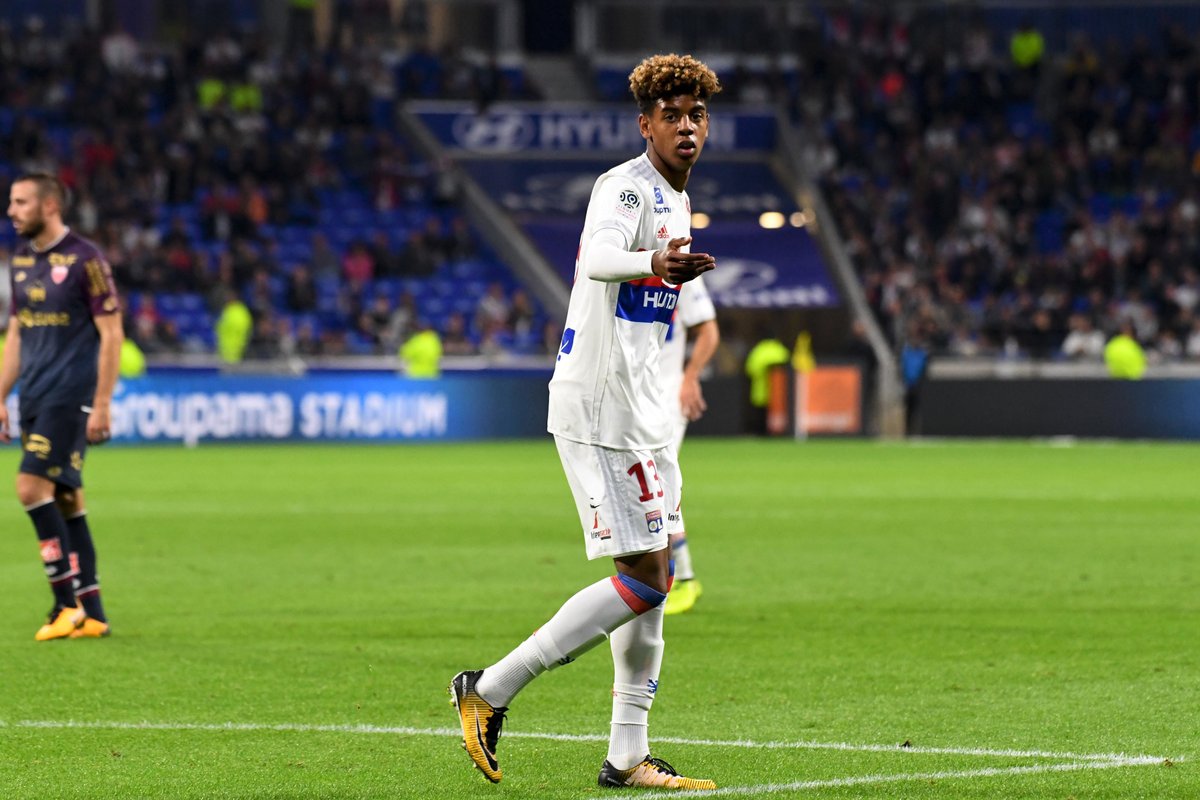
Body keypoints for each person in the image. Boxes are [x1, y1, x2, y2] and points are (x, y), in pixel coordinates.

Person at [450, 53, 721, 791]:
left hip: (640, 411)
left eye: (697, 114)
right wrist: (652, 262)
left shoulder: (677, 200)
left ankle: (628, 756)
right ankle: (490, 688)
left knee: (655, 573)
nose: (687, 126)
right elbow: (599, 256)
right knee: (647, 578)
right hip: (601, 407)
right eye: (671, 115)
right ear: (645, 125)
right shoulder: (626, 188)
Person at [0, 173, 123, 640]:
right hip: (33, 394)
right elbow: (17, 333)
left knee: (30, 487)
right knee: (67, 498)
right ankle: (93, 613)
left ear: (49, 205)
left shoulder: (86, 260)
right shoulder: (20, 260)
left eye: (21, 202)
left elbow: (112, 333)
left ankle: (64, 604)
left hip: (69, 396)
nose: (11, 211)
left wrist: (103, 402)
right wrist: (0, 394)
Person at [660, 276, 718, 616]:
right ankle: (662, 576)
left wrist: (690, 377)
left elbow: (709, 331)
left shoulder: (681, 273)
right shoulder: (624, 265)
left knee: (659, 482)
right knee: (641, 487)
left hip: (666, 395)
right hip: (632, 395)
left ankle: (683, 577)